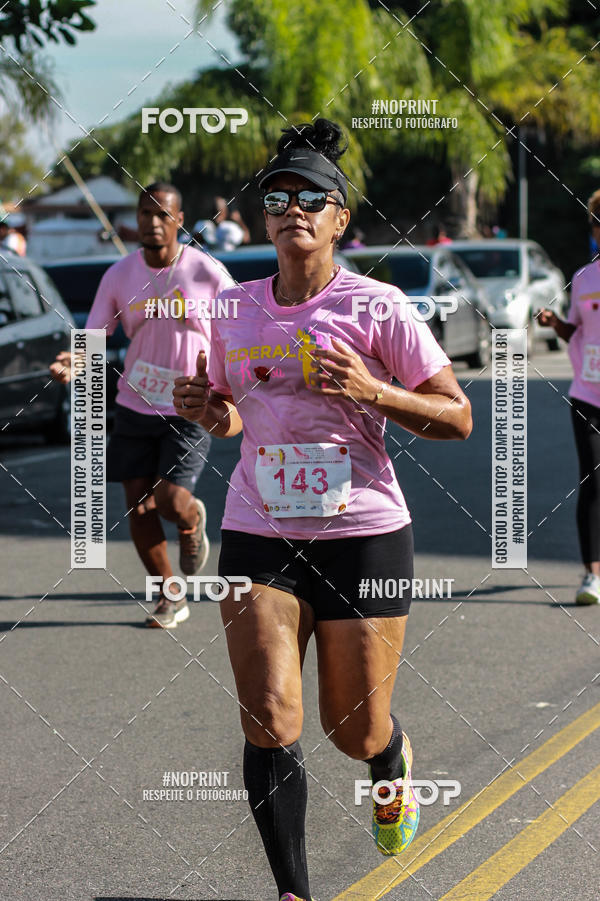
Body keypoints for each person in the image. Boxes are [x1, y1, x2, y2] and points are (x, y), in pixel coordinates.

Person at [174, 119, 472, 900]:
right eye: (279, 195)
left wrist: (373, 390)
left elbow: (458, 415)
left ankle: (390, 759)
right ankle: (293, 891)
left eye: (315, 197)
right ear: (265, 215)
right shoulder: (233, 309)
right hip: (258, 524)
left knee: (352, 727)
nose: (294, 207)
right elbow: (237, 415)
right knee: (269, 711)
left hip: (364, 532)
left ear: (341, 218)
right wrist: (212, 413)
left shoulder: (377, 308)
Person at [50, 182, 234, 629]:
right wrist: (74, 361)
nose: (152, 223)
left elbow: (240, 320)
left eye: (162, 215)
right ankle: (170, 596)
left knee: (170, 501)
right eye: (145, 214)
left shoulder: (206, 271)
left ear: (179, 221)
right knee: (138, 503)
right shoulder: (118, 276)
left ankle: (190, 521)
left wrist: (240, 379)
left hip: (189, 405)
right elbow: (95, 336)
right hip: (135, 402)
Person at [539, 188, 600, 605]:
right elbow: (575, 331)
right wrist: (555, 323)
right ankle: (592, 575)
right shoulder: (583, 278)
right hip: (589, 395)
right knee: (594, 482)